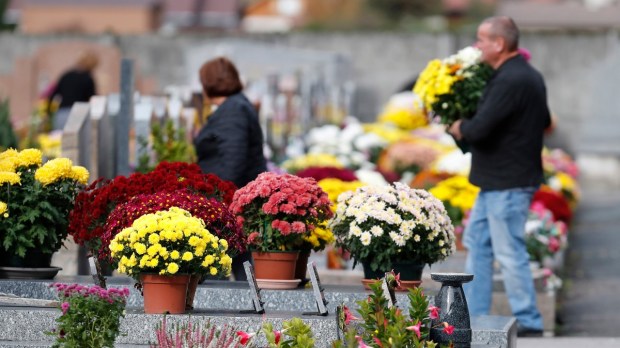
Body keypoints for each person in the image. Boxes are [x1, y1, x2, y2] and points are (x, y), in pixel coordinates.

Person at [448, 16, 550, 337]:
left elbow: (479, 129)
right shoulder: (527, 75)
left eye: (482, 40)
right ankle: (475, 317)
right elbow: (545, 120)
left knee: (509, 252)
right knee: (478, 244)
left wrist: (457, 125)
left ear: (499, 44)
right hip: (500, 180)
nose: (477, 46)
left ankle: (529, 321)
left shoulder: (509, 80)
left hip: (508, 181)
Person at [194, 56, 267, 281]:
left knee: (230, 264)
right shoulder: (236, 105)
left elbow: (232, 161)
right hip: (232, 201)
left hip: (228, 202)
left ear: (208, 83)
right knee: (240, 263)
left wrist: (216, 202)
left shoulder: (233, 110)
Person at [47, 51, 98, 130]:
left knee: (59, 139)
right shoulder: (88, 78)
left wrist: (48, 112)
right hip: (79, 114)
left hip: (62, 113)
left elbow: (53, 94)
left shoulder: (66, 75)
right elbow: (93, 98)